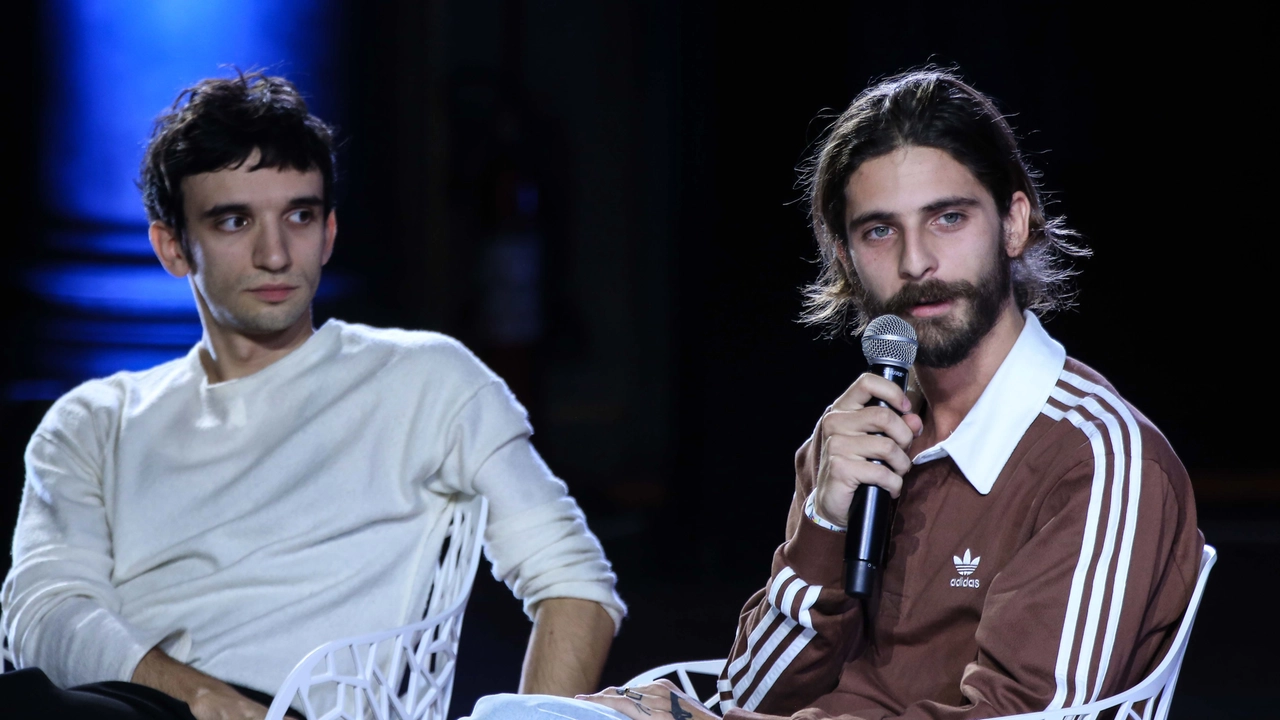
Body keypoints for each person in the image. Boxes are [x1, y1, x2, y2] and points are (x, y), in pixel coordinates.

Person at [472, 68, 1203, 720]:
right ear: (847, 259)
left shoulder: (1097, 458)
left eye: (948, 218)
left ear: (1013, 223)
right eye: (880, 231)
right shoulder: (857, 430)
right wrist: (825, 519)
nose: (917, 262)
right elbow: (753, 694)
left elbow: (1030, 718)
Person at [2, 71, 625, 720]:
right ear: (172, 247)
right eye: (234, 220)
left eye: (299, 216)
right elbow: (44, 613)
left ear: (328, 233)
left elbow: (576, 587)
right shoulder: (93, 422)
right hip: (128, 703)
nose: (275, 254)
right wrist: (198, 697)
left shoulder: (425, 381)